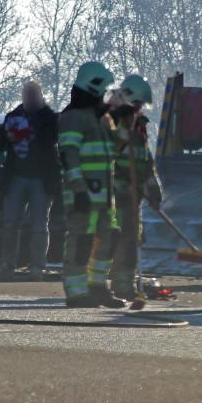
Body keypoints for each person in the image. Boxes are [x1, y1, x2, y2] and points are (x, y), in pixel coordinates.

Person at [58, 62, 122, 308]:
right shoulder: (73, 117)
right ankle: (76, 292)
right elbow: (68, 155)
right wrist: (79, 189)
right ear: (91, 88)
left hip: (105, 196)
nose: (105, 94)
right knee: (80, 240)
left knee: (109, 237)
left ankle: (98, 288)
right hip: (82, 194)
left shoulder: (102, 119)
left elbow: (114, 151)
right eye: (102, 90)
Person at [0, 81, 60, 280]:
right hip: (16, 178)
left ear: (41, 96)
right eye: (26, 96)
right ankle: (7, 265)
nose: (30, 100)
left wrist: (32, 130)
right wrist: (10, 135)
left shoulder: (50, 118)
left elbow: (53, 140)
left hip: (41, 180)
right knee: (10, 223)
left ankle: (37, 267)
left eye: (33, 96)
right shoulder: (12, 117)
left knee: (39, 225)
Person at [107, 75, 163, 301]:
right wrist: (121, 174)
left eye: (141, 106)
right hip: (115, 194)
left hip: (132, 195)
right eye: (137, 104)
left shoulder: (139, 125)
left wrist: (153, 188)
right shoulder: (110, 121)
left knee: (131, 240)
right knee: (112, 240)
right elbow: (108, 154)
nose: (139, 109)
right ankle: (102, 285)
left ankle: (124, 285)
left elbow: (145, 161)